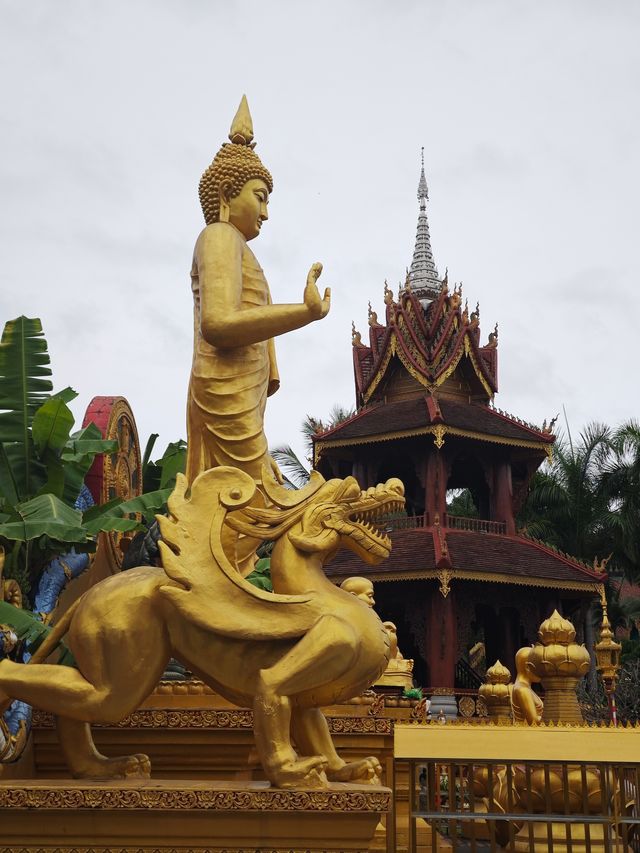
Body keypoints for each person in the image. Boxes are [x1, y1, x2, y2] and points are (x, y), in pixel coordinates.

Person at [186, 96, 331, 486]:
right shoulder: (218, 236)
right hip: (223, 394)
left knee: (252, 504)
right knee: (261, 501)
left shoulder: (240, 249)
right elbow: (217, 325)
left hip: (242, 396)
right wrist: (304, 313)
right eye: (260, 197)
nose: (266, 213)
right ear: (225, 195)